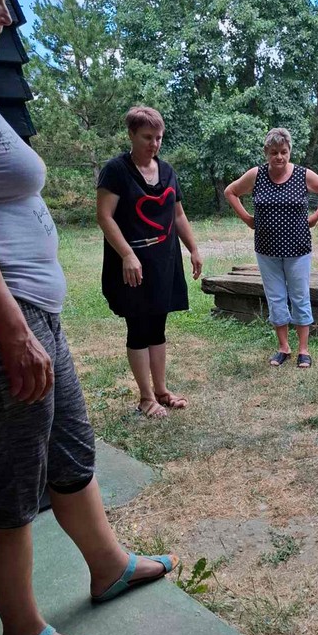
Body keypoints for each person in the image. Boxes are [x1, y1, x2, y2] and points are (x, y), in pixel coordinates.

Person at [0, 0, 177, 635]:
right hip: (0, 319)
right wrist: (9, 329)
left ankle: (107, 565)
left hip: (34, 313)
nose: (5, 15)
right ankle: (23, 634)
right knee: (10, 477)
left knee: (69, 448)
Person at [96, 107, 203, 417]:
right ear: (131, 135)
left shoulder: (167, 171)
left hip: (163, 262)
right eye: (147, 137)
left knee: (157, 325)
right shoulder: (116, 170)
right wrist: (127, 254)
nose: (154, 144)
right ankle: (145, 398)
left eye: (158, 138)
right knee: (139, 326)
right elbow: (104, 216)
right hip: (131, 265)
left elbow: (178, 215)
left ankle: (161, 391)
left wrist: (193, 249)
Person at [224, 128, 318, 367]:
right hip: (266, 249)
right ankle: (283, 347)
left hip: (298, 249)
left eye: (284, 152)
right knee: (275, 298)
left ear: (289, 151)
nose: (279, 157)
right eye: (274, 152)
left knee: (299, 296)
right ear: (266, 153)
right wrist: (247, 219)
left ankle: (304, 350)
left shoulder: (302, 175)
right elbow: (230, 192)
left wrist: (315, 216)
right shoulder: (256, 175)